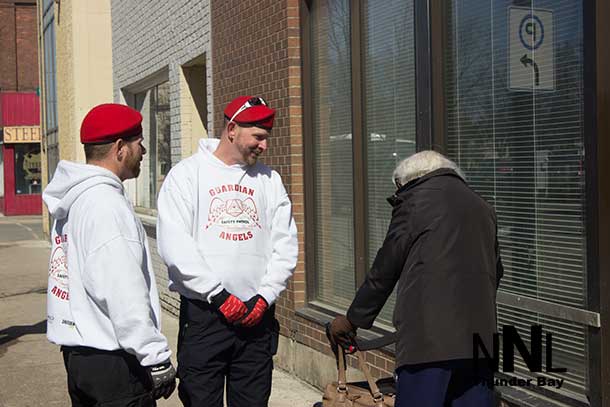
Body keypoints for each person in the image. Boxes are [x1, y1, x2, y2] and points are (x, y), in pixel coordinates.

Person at [329, 150, 503, 407]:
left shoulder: (414, 201)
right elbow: (496, 272)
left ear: (406, 181)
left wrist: (353, 319)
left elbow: (385, 269)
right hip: (479, 346)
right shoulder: (483, 206)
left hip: (428, 345)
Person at [156, 95, 298, 407]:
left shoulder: (269, 180)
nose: (264, 146)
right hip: (206, 317)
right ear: (232, 129)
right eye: (258, 137)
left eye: (266, 138)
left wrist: (264, 297)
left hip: (256, 319)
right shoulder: (187, 175)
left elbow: (285, 245)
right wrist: (219, 296)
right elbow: (175, 246)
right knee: (200, 399)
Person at [44, 103, 176, 406]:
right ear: (120, 148)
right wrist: (154, 356)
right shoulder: (105, 205)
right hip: (114, 364)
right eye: (139, 143)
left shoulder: (75, 200)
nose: (143, 151)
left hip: (80, 357)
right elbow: (121, 288)